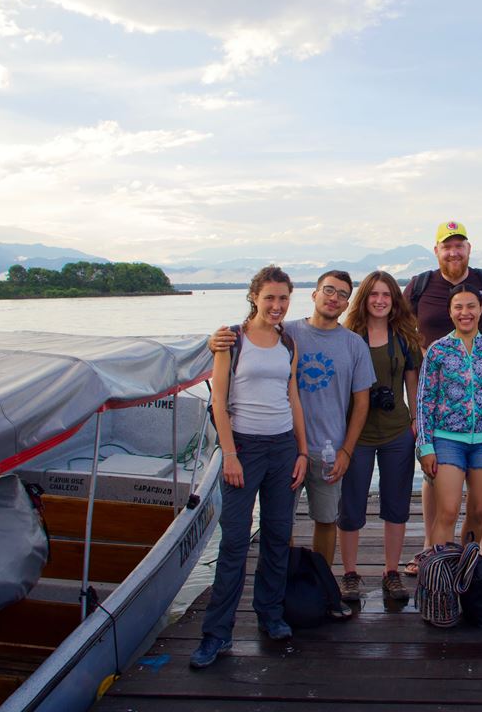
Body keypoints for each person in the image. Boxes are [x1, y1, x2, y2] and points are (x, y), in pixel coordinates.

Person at [209, 271, 376, 567]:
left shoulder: (354, 345)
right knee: (279, 524)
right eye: (328, 290)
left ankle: (320, 583)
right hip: (284, 447)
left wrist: (346, 451)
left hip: (328, 448)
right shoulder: (287, 333)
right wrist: (214, 341)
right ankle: (282, 582)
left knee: (326, 519)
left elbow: (362, 404)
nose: (334, 298)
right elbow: (252, 334)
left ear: (347, 304)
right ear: (314, 295)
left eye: (342, 294)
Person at [191, 265, 309, 668]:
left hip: (283, 449)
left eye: (283, 299)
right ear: (254, 297)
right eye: (270, 297)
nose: (276, 306)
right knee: (235, 543)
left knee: (278, 537)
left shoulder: (287, 342)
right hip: (244, 448)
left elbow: (293, 399)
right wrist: (230, 454)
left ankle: (270, 614)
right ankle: (216, 633)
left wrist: (303, 452)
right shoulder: (232, 341)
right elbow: (218, 402)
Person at [404, 221, 482, 577]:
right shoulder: (421, 285)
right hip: (441, 418)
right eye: (446, 246)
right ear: (436, 250)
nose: (453, 252)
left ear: (469, 248)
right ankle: (434, 559)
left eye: (459, 245)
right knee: (442, 496)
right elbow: (394, 323)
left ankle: (476, 558)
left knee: (481, 503)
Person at [336, 271, 423, 602]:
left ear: (395, 299)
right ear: (363, 298)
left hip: (396, 431)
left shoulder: (403, 335)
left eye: (387, 295)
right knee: (351, 505)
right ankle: (350, 574)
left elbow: (412, 382)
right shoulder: (347, 335)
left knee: (396, 504)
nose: (380, 300)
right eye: (374, 294)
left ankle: (391, 573)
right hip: (355, 433)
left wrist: (416, 420)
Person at [416, 283, 482, 550]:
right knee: (447, 511)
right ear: (450, 312)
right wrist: (425, 447)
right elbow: (424, 401)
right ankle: (439, 577)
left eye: (471, 306)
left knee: (478, 512)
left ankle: (466, 571)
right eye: (458, 307)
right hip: (447, 441)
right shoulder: (438, 350)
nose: (465, 313)